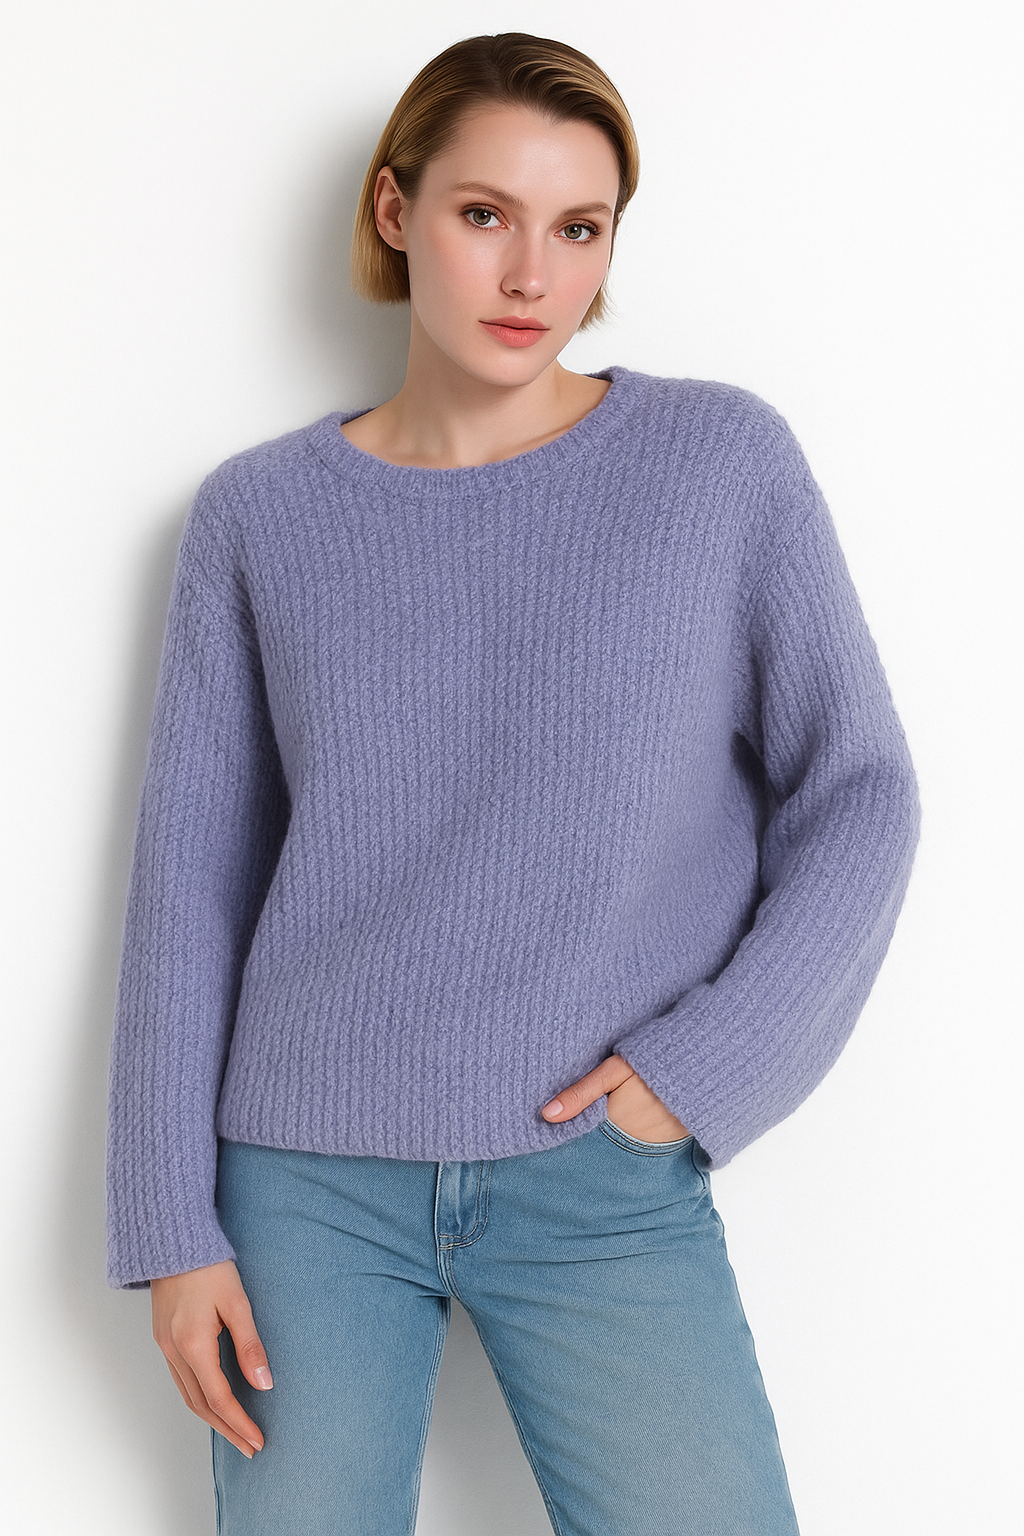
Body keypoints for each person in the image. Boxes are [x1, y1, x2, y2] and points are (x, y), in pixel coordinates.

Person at [105, 30, 921, 1536]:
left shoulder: (717, 465)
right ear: (395, 208)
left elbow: (861, 791)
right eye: (485, 214)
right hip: (306, 1183)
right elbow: (189, 890)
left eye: (579, 227)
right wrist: (171, 1223)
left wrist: (703, 1073)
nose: (533, 274)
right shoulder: (260, 517)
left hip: (596, 1171)